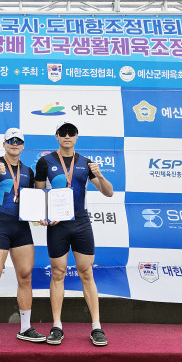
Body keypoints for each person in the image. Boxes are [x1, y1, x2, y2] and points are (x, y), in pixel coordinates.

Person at [35, 120, 114, 347]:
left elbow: (108, 192)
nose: (67, 136)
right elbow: (39, 195)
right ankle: (57, 326)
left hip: (80, 222)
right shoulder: (45, 162)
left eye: (71, 132)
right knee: (58, 273)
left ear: (77, 136)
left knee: (86, 272)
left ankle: (96, 327)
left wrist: (100, 175)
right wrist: (44, 215)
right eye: (63, 132)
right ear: (57, 136)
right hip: (58, 225)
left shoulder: (86, 163)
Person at [0, 128, 46, 353]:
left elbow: (33, 201)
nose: (14, 143)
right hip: (0, 226)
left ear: (23, 145)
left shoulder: (28, 171)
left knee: (25, 276)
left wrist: (42, 216)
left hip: (21, 228)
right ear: (3, 144)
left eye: (18, 141)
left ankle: (25, 328)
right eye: (10, 140)